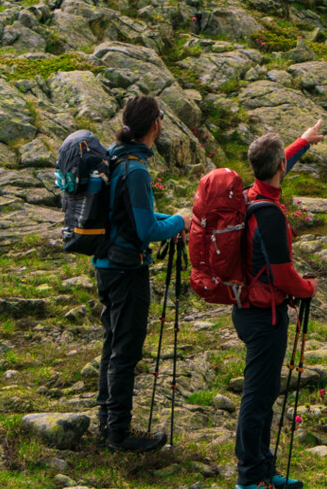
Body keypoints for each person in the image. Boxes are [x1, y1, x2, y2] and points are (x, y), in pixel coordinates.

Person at [234, 121, 322, 489]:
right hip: (265, 317)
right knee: (258, 397)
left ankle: (263, 469)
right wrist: (308, 289)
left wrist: (302, 141)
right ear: (278, 170)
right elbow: (284, 275)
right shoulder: (269, 216)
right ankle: (249, 477)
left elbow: (277, 161)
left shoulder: (250, 195)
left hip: (248, 310)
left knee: (265, 393)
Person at [96, 95, 187, 452]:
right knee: (126, 350)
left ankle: (108, 424)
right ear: (156, 125)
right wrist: (181, 220)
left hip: (107, 263)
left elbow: (135, 221)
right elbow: (146, 229)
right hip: (126, 268)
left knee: (112, 344)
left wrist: (175, 220)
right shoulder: (135, 168)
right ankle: (119, 433)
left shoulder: (116, 156)